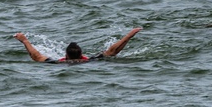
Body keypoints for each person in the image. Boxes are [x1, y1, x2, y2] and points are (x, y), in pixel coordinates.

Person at [13, 27, 142, 63]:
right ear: (82, 55)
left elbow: (36, 56)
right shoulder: (91, 61)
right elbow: (113, 51)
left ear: (65, 55)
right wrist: (129, 35)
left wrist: (24, 40)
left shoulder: (58, 63)